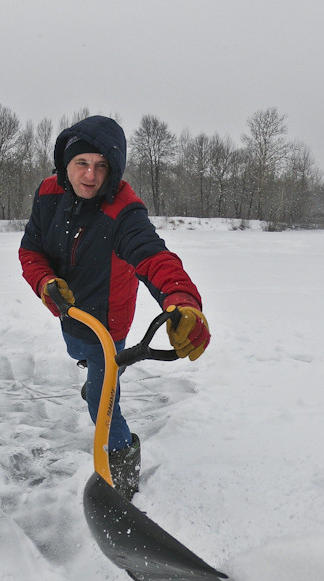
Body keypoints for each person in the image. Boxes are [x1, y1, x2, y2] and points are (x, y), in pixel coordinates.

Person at [19, 115, 210, 498]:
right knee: (86, 361)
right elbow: (31, 250)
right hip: (69, 313)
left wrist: (181, 299)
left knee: (104, 409)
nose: (90, 175)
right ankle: (96, 380)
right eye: (81, 164)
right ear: (65, 164)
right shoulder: (48, 194)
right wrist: (45, 282)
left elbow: (154, 257)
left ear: (115, 169)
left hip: (106, 324)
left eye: (101, 165)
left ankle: (123, 475)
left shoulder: (123, 209)